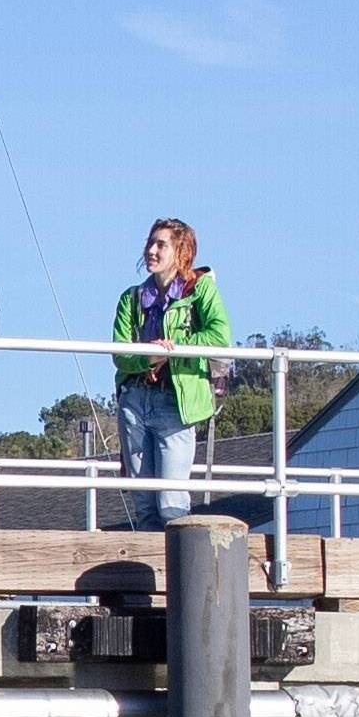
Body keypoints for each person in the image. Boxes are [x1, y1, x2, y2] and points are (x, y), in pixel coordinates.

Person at [110, 216, 231, 530]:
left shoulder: (199, 289)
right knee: (144, 504)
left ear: (181, 252)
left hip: (175, 403)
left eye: (161, 244)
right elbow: (121, 355)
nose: (151, 250)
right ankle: (148, 574)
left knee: (171, 505)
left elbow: (219, 336)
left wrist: (174, 348)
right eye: (150, 242)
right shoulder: (132, 298)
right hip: (134, 400)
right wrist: (150, 358)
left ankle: (176, 574)